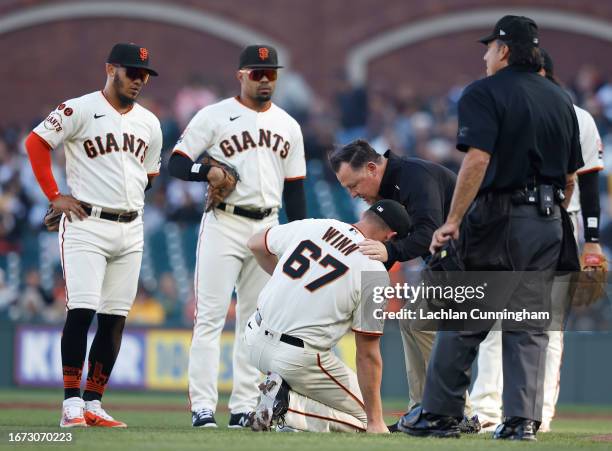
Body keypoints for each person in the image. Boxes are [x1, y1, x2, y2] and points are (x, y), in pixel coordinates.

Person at [398, 15, 583, 440]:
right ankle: (521, 422)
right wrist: (549, 216)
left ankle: (439, 414)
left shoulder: (483, 92)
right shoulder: (560, 99)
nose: (484, 55)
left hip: (500, 217)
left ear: (503, 49)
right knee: (528, 322)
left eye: (488, 48)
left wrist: (453, 220)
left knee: (465, 314)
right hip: (550, 220)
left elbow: (477, 160)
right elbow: (571, 176)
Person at [167, 44, 307, 428]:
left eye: (271, 74)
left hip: (268, 227)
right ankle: (203, 407)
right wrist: (207, 173)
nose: (265, 80)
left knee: (255, 322)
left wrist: (298, 238)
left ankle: (243, 407)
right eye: (257, 73)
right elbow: (176, 163)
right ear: (241, 75)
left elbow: (296, 190)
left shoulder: (288, 125)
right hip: (224, 223)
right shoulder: (214, 116)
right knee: (209, 318)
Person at [24, 42, 162, 428]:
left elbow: (147, 176)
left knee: (115, 320)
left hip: (131, 226)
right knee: (82, 311)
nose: (139, 80)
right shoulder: (79, 108)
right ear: (110, 69)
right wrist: (55, 196)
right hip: (86, 223)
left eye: (144, 74)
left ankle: (94, 403)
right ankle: (70, 403)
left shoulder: (149, 122)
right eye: (132, 72)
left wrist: (121, 198)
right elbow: (35, 143)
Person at [469, 48, 605, 433]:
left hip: (564, 221)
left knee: (547, 325)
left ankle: (539, 415)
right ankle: (487, 411)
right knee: (494, 320)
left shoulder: (577, 116)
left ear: (540, 70)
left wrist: (592, 241)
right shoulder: (504, 108)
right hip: (505, 218)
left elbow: (590, 181)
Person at [329, 140, 478, 428]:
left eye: (354, 184)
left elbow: (429, 233)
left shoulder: (414, 176)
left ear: (372, 169)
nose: (353, 193)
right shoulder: (393, 185)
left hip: (475, 263)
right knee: (413, 320)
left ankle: (456, 412)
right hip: (448, 265)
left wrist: (391, 252)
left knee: (419, 322)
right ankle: (425, 410)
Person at [245, 199, 411, 433]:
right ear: (391, 237)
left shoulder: (317, 225)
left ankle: (279, 397)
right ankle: (288, 407)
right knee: (367, 419)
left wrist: (290, 281)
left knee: (338, 397)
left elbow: (255, 244)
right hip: (296, 357)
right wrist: (376, 421)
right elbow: (367, 354)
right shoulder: (374, 271)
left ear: (365, 214)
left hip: (252, 338)